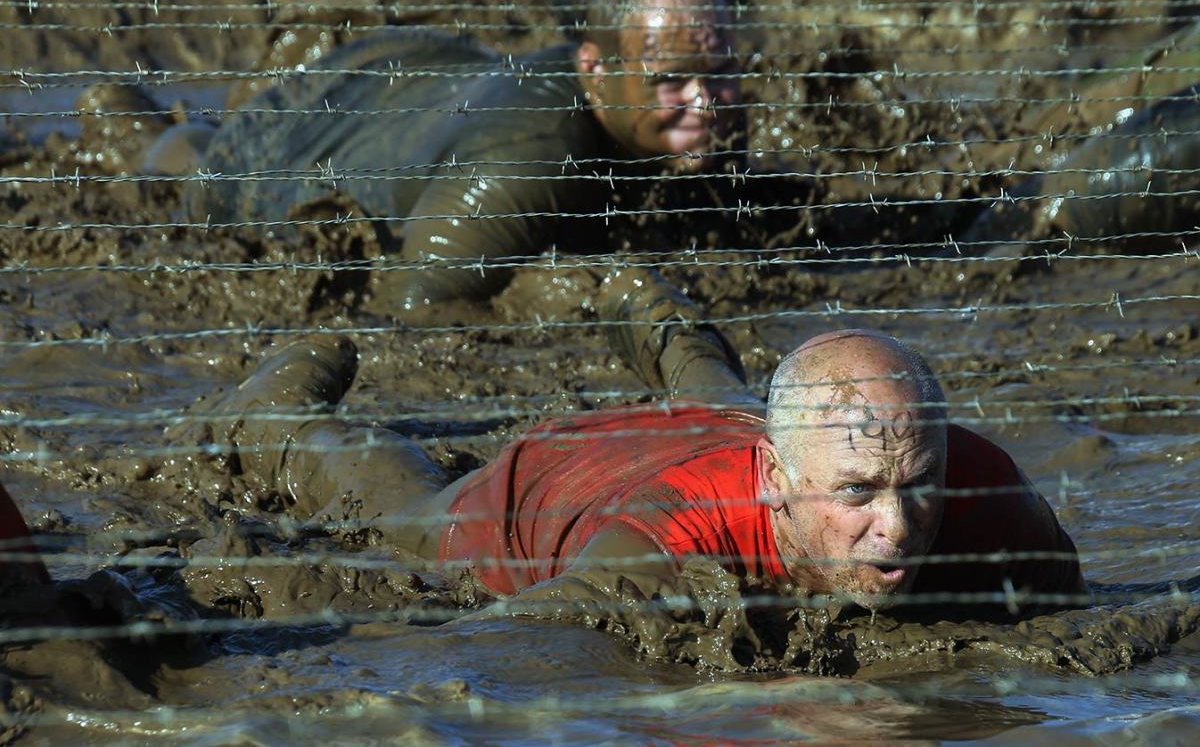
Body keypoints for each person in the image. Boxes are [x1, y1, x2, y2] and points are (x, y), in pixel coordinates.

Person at [179, 272, 1085, 612]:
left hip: (724, 429)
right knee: (412, 517)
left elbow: (1079, 603)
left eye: (916, 485)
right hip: (553, 489)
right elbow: (503, 654)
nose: (898, 525)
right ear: (779, 481)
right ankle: (279, 415)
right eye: (858, 495)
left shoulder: (983, 494)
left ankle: (645, 305)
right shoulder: (662, 550)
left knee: (725, 399)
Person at [180, 0, 744, 310]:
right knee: (184, 157)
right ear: (595, 69)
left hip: (427, 87)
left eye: (719, 74)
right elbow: (414, 299)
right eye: (671, 81)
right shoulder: (528, 158)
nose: (706, 103)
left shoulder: (709, 123)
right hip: (270, 169)